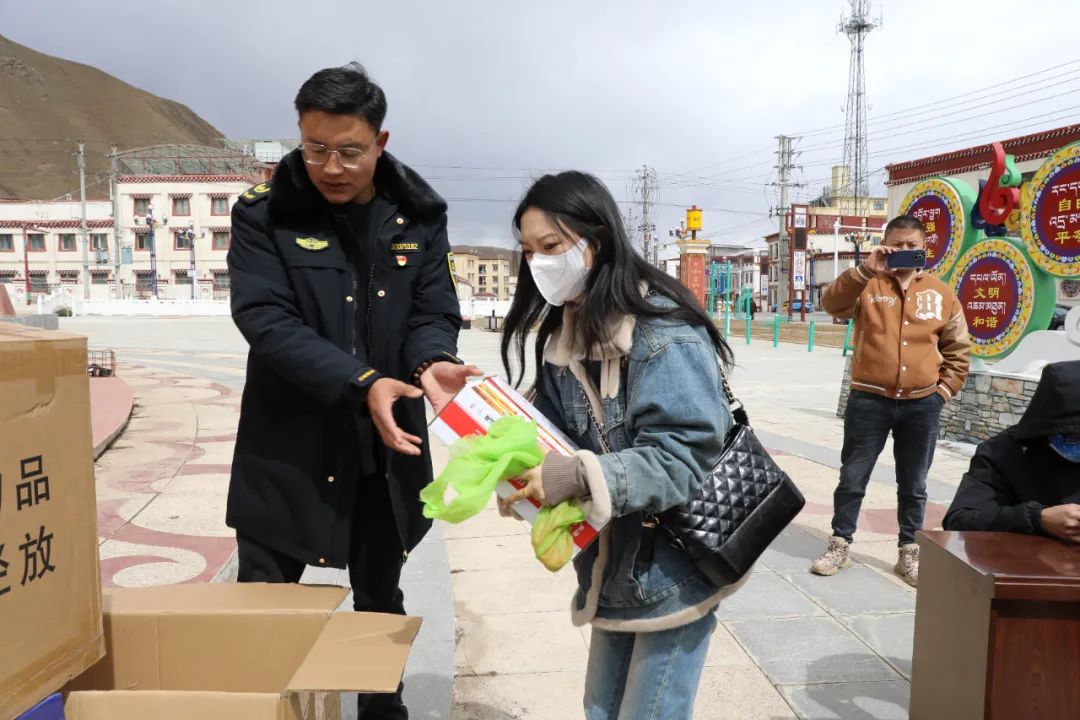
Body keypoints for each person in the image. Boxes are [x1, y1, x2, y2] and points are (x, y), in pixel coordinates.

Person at [225, 63, 477, 719]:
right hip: (289, 444)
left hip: (382, 448)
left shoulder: (420, 216)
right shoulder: (263, 214)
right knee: (266, 609)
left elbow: (433, 311)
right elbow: (265, 318)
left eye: (350, 151)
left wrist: (432, 361)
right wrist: (361, 382)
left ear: (380, 142)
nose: (331, 167)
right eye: (315, 148)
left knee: (379, 598)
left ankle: (382, 709)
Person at [498, 171, 743, 720]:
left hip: (677, 568)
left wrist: (574, 476)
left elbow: (682, 459)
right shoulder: (565, 337)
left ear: (598, 239)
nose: (538, 263)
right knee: (600, 708)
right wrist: (490, 428)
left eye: (551, 246)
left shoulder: (661, 334)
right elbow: (551, 437)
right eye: (529, 251)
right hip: (613, 567)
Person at [811, 215, 971, 586]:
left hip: (922, 405)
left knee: (914, 484)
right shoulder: (868, 284)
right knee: (852, 478)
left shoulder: (941, 293)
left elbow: (958, 349)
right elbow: (831, 304)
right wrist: (866, 269)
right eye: (897, 245)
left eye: (912, 246)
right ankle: (839, 543)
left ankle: (908, 551)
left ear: (924, 248)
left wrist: (941, 393)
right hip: (869, 401)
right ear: (885, 245)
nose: (904, 251)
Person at [943, 360, 1080, 542]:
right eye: (1074, 437)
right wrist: (1037, 519)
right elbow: (960, 520)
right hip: (1026, 556)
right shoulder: (1002, 453)